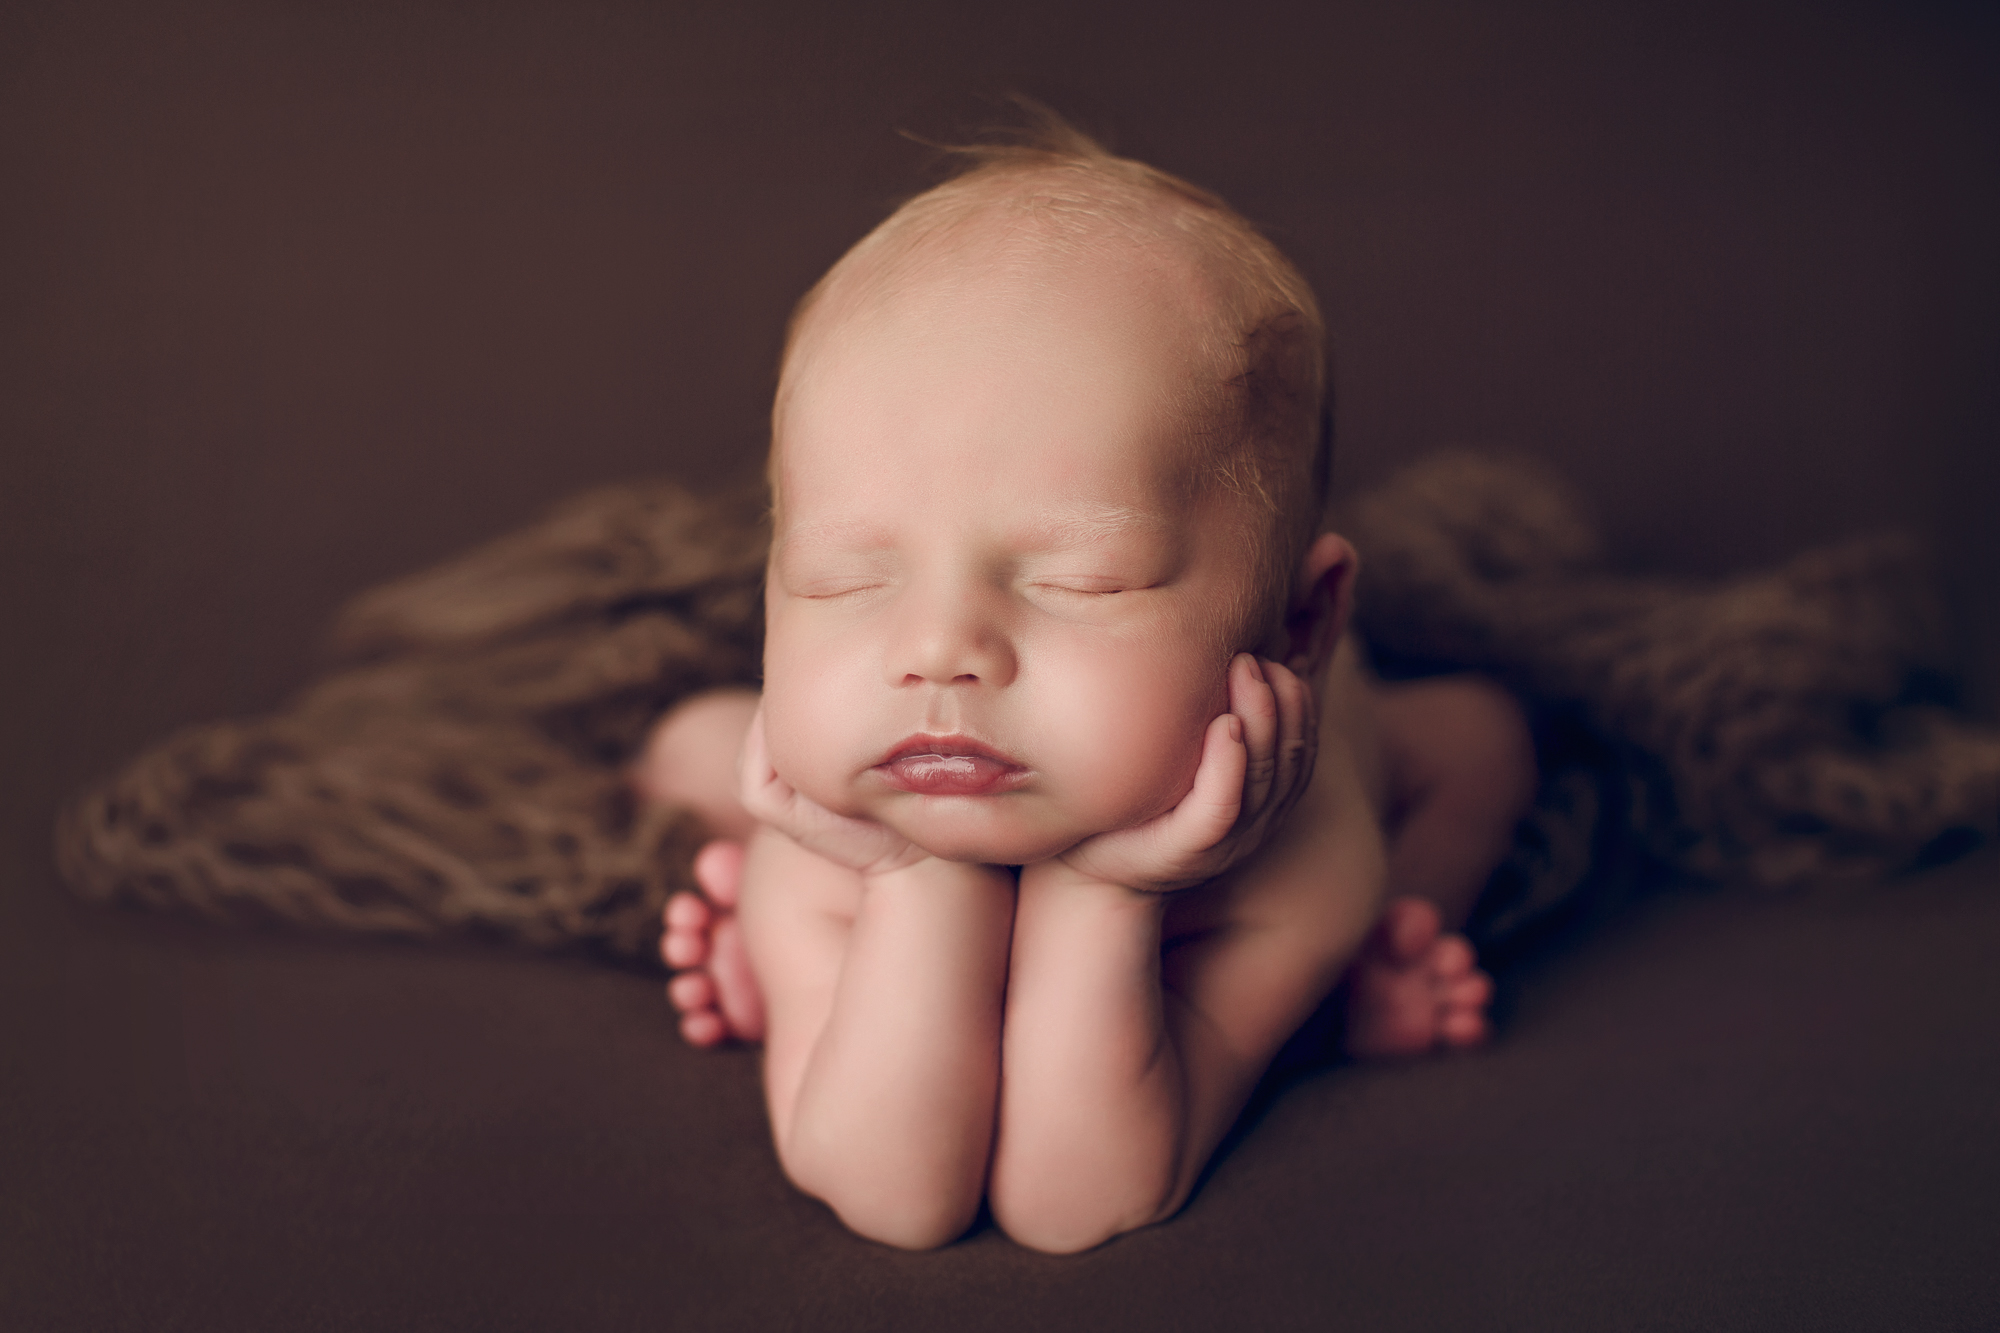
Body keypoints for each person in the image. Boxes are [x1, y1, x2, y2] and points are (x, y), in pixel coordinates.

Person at [630, 118, 1536, 1253]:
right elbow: (897, 1196)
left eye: (1082, 580)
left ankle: (1363, 965)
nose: (938, 650)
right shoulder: (828, 835)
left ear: (1300, 623)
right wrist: (907, 876)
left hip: (1280, 832)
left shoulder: (1295, 861)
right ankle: (791, 969)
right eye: (838, 576)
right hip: (856, 827)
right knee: (696, 743)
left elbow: (1074, 1200)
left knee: (1480, 739)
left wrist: (1113, 894)